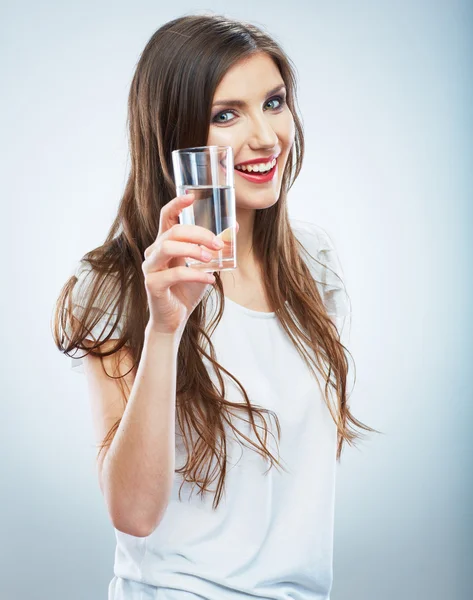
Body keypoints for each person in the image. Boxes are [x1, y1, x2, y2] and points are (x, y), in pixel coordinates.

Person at [52, 12, 378, 600]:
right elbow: (132, 512)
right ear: (176, 136)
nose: (263, 136)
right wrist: (164, 328)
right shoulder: (113, 284)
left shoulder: (315, 262)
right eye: (225, 114)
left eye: (273, 102)